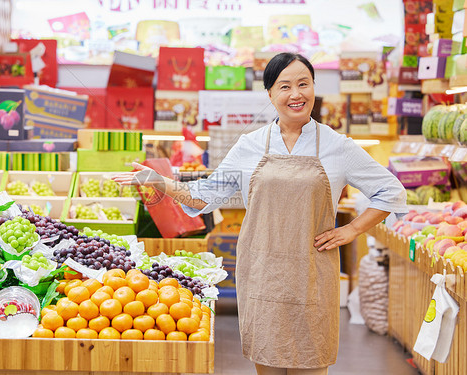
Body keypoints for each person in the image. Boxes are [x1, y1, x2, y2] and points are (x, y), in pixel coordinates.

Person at [112, 52, 407, 375]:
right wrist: (162, 183)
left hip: (312, 275)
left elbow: (391, 191)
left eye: (303, 84)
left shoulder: (338, 146)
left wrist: (352, 230)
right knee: (267, 362)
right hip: (263, 275)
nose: (295, 94)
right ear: (270, 94)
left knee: (311, 362)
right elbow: (204, 196)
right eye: (285, 86)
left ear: (313, 88)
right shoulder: (249, 145)